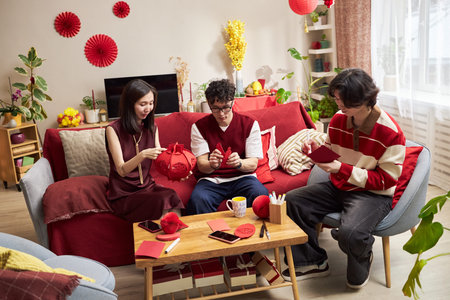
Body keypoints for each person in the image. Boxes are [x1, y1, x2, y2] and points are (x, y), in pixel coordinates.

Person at [282, 68, 406, 289]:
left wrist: (341, 169)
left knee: (350, 237)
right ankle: (313, 261)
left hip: (373, 195)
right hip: (340, 186)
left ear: (364, 99)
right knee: (293, 200)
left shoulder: (391, 133)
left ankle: (363, 251)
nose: (337, 102)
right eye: (337, 97)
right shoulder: (340, 119)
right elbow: (333, 154)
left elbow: (386, 181)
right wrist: (315, 151)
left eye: (342, 99)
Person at [105, 79, 184, 222]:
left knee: (172, 195)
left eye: (151, 103)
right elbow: (121, 170)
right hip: (124, 194)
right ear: (130, 104)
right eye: (143, 104)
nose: (148, 108)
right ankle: (163, 238)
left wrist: (179, 172)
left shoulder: (152, 127)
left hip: (147, 187)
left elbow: (161, 162)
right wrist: (142, 155)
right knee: (161, 200)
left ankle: (175, 237)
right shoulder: (113, 130)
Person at [187, 79, 268, 214]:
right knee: (198, 199)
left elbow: (253, 164)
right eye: (216, 109)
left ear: (233, 102)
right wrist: (211, 164)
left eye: (226, 108)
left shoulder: (250, 124)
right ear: (209, 104)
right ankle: (209, 233)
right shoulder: (199, 127)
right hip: (211, 180)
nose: (222, 114)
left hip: (243, 178)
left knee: (260, 193)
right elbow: (201, 164)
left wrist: (239, 163)